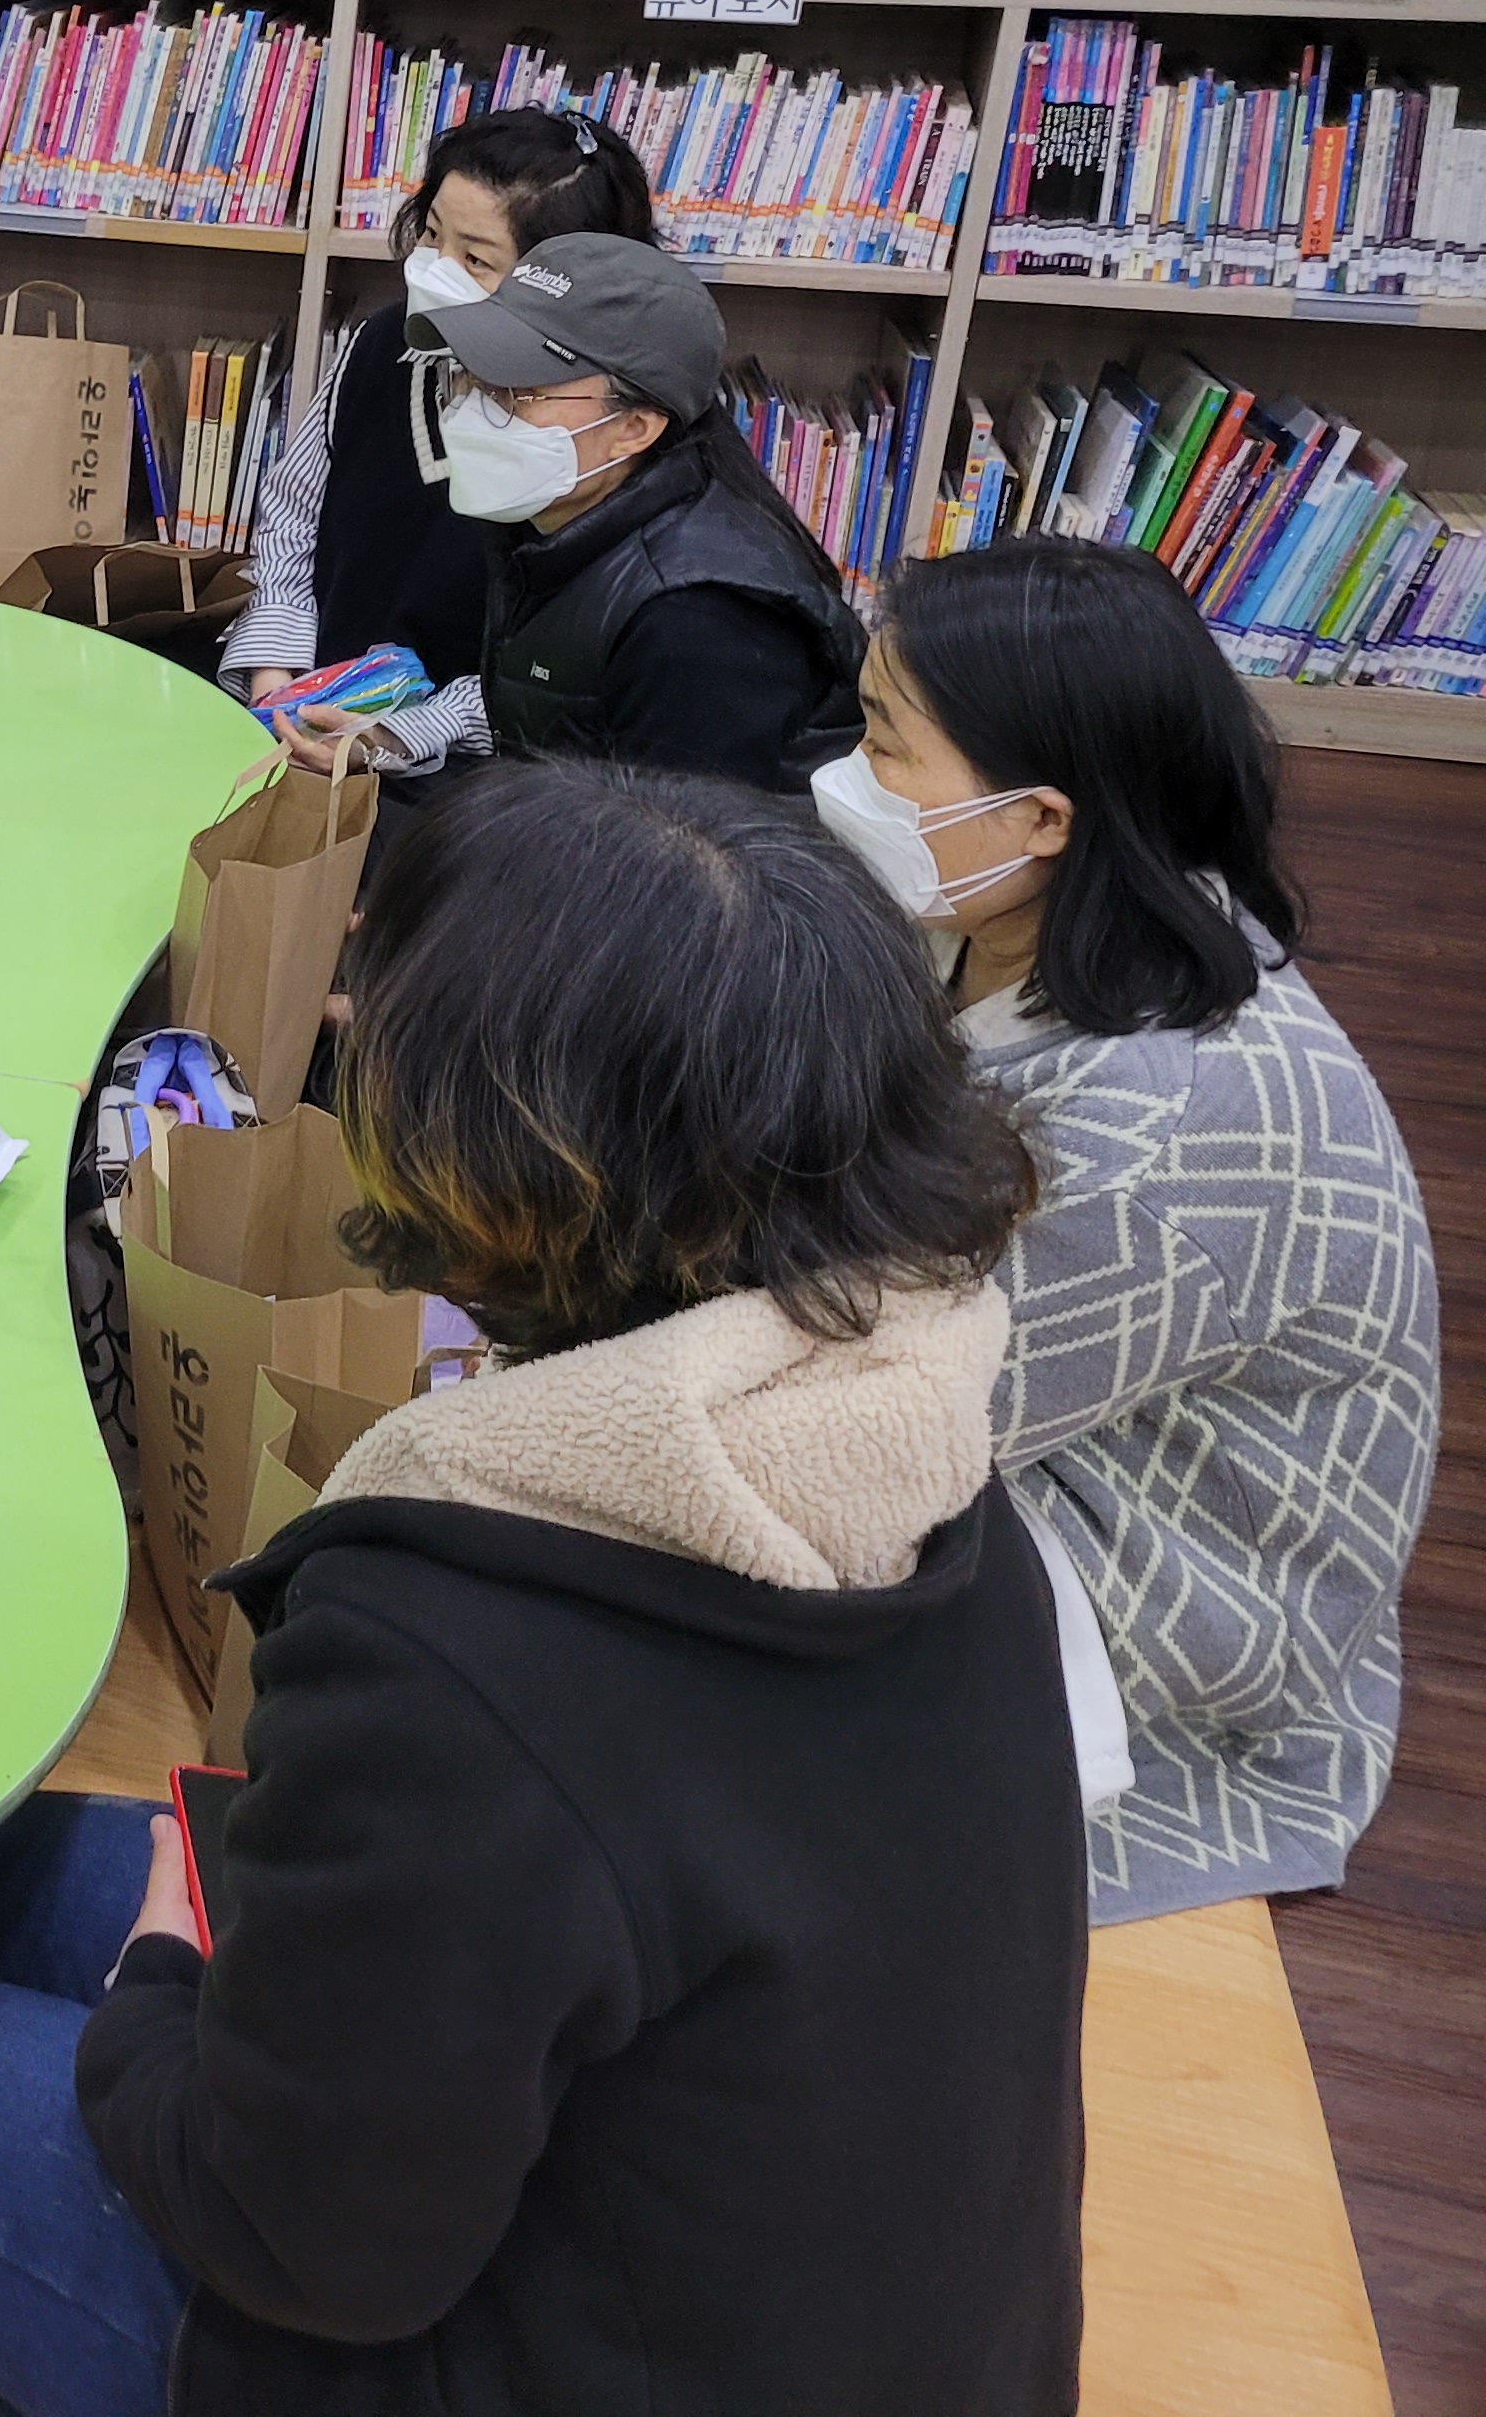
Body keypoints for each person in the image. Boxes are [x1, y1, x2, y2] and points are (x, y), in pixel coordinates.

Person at [0, 757, 1083, 2417]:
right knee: (1, 1870)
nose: (349, 1018)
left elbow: (307, 2242)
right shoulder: (918, 1460)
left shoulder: (461, 1642)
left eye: (378, 1020)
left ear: (509, 1156)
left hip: (506, 2337)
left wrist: (156, 1989)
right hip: (830, 2303)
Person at [819, 536, 1436, 1919]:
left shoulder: (1158, 1133)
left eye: (882, 741)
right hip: (1036, 1410)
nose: (849, 773)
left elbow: (882, 1426)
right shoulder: (1025, 916)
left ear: (1041, 819)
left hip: (1166, 1609)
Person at [222, 106, 660, 778]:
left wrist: (403, 736)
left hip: (471, 768)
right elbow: (293, 510)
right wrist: (276, 672)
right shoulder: (381, 342)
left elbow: (561, 659)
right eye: (431, 235)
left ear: (561, 285)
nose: (433, 270)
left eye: (475, 259)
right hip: (310, 713)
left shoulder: (580, 426)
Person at [401, 228, 864, 790]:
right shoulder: (549, 522)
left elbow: (677, 837)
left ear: (634, 428)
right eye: (473, 379)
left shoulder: (698, 622)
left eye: (515, 392)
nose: (473, 411)